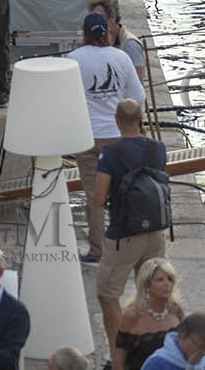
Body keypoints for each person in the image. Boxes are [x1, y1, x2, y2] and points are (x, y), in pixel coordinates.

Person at [94, 99, 171, 348]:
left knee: (108, 294)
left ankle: (120, 356)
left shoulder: (110, 154)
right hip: (156, 232)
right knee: (153, 293)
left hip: (124, 235)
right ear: (141, 120)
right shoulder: (158, 148)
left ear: (116, 120)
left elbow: (98, 198)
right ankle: (153, 348)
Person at [73, 13, 148, 263]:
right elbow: (138, 96)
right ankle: (129, 248)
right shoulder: (121, 57)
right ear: (107, 33)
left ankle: (97, 251)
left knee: (94, 196)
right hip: (118, 137)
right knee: (123, 191)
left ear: (84, 33)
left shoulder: (73, 60)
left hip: (87, 138)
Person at [112, 259, 183, 370]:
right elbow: (118, 358)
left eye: (170, 279)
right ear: (146, 285)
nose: (167, 284)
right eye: (160, 280)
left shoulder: (176, 310)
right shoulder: (132, 315)